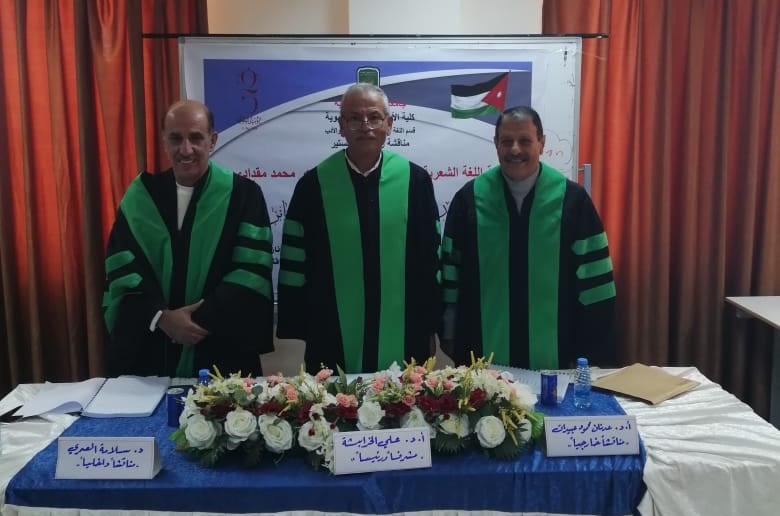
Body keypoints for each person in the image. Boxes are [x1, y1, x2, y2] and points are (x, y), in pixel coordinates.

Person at [276, 83, 441, 374]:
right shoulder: (313, 186)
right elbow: (295, 263)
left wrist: (431, 324)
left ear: (389, 124)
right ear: (341, 126)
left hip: (406, 328)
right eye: (354, 118)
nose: (365, 126)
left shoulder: (415, 182)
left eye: (374, 117)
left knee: (404, 399)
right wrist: (299, 325)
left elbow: (431, 259)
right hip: (331, 331)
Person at [102, 100, 274, 377]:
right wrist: (163, 318)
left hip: (220, 350)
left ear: (212, 141)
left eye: (195, 137)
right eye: (175, 138)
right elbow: (124, 272)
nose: (185, 149)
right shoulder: (140, 198)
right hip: (150, 350)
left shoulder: (243, 195)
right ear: (164, 142)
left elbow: (250, 273)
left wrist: (192, 323)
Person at [440, 106, 616, 370]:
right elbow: (451, 279)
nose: (515, 149)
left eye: (525, 140)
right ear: (496, 144)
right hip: (483, 360)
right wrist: (449, 333)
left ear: (541, 143)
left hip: (557, 358)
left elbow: (596, 288)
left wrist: (591, 352)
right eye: (506, 141)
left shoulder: (572, 202)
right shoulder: (469, 200)